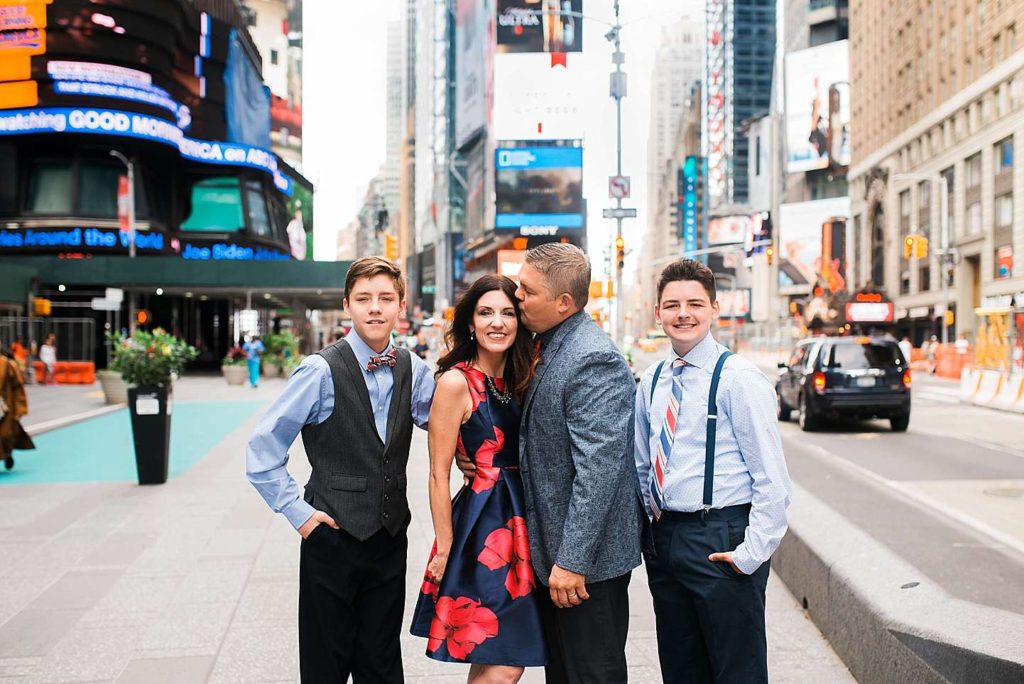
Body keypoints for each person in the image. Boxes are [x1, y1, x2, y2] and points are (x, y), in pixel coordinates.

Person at [245, 256, 435, 682]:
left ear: (401, 306)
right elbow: (262, 448)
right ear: (347, 305)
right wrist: (299, 514)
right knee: (325, 664)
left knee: (382, 664)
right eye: (364, 298)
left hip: (389, 538)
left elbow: (446, 422)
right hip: (331, 536)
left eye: (386, 298)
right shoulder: (319, 370)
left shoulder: (414, 369)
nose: (375, 307)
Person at [461, 243, 644, 683]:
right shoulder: (544, 343)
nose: (517, 297)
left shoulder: (591, 358)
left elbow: (599, 471)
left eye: (527, 291)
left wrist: (573, 562)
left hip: (583, 568)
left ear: (564, 303)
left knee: (590, 674)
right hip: (550, 558)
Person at [635, 259, 791, 684]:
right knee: (681, 670)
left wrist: (750, 556)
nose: (683, 313)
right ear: (658, 313)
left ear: (714, 309)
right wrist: (653, 535)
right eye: (672, 305)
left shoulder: (738, 379)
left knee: (736, 672)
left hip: (720, 538)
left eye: (694, 304)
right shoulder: (651, 381)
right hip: (667, 541)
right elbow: (641, 462)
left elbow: (772, 480)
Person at [410, 275, 547, 679]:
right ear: (470, 322)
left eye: (507, 312)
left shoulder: (527, 375)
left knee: (497, 656)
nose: (497, 322)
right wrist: (444, 546)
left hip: (530, 522)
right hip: (484, 529)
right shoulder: (455, 383)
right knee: (504, 664)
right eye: (485, 312)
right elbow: (437, 472)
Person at [0, 343, 34, 470]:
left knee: (5, 435)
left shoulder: (8, 365)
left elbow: (18, 388)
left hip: (6, 407)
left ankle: (8, 453)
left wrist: (20, 409)